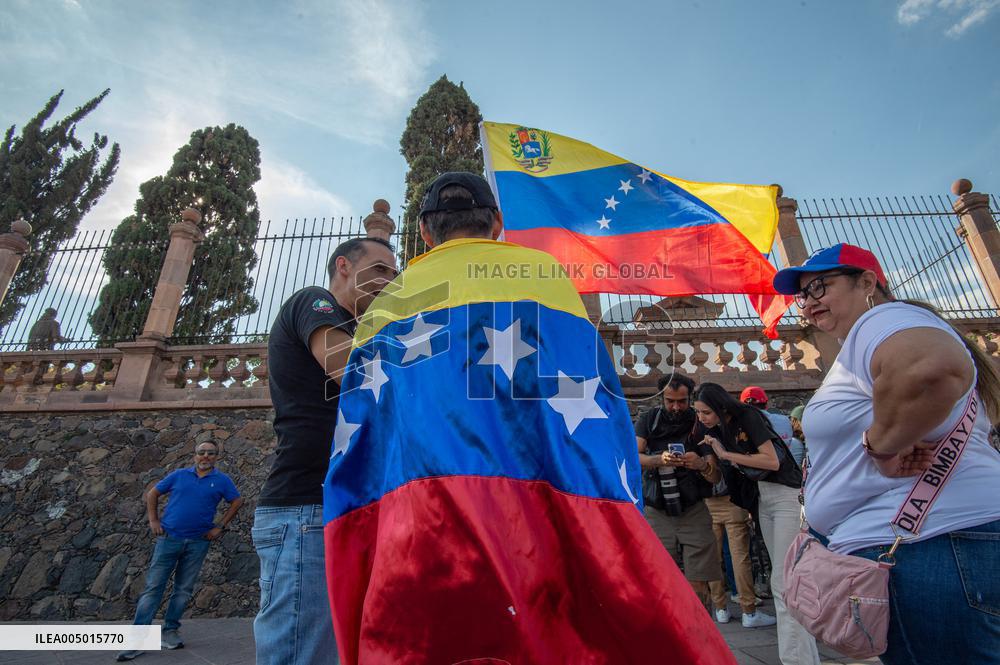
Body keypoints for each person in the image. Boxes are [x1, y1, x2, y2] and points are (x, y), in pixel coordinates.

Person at [322, 173, 735, 664]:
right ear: (497, 223)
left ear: (426, 233)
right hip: (538, 516)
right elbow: (595, 402)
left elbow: (362, 440)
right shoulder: (544, 277)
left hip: (421, 530)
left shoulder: (387, 305)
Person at [772, 243, 1000, 665]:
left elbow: (930, 368)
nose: (809, 302)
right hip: (936, 548)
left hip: (931, 549)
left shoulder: (882, 319)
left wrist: (880, 446)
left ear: (868, 282)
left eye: (821, 286)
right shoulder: (870, 338)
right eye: (803, 294)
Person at [254, 237, 398, 665]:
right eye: (381, 270)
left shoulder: (364, 332)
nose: (390, 282)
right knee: (302, 652)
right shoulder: (312, 301)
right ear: (344, 267)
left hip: (339, 508)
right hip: (305, 511)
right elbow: (354, 375)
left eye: (395, 274)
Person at [693, 382, 820, 665]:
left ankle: (795, 659)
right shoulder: (717, 429)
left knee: (783, 582)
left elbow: (772, 461)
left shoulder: (748, 416)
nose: (701, 418)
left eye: (705, 412)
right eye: (698, 412)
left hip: (785, 495)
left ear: (720, 406)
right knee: (786, 581)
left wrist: (726, 454)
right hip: (763, 499)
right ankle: (804, 657)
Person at [116, 442, 242, 662]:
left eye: (210, 453)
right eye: (201, 452)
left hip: (198, 542)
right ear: (195, 456)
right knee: (153, 588)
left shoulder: (222, 481)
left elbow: (237, 500)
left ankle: (170, 631)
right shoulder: (179, 475)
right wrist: (153, 520)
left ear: (216, 457)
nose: (205, 456)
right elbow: (153, 494)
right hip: (169, 539)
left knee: (183, 589)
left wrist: (220, 525)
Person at [635, 373, 721, 609]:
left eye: (681, 401)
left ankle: (702, 634)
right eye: (669, 401)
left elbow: (715, 476)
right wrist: (658, 460)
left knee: (699, 583)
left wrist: (700, 464)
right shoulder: (649, 419)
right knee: (661, 580)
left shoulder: (700, 422)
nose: (675, 407)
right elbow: (633, 457)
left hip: (693, 508)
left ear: (690, 398)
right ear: (661, 397)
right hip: (657, 509)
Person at [740, 386, 806, 468]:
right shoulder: (785, 420)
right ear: (766, 404)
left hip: (760, 470)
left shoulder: (739, 424)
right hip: (788, 471)